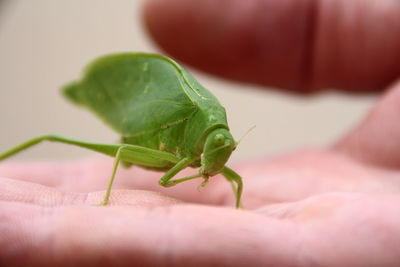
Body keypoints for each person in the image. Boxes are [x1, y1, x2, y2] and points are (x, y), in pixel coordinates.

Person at [1, 0, 400, 265]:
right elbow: (153, 169)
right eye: (216, 152)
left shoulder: (216, 135)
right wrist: (106, 202)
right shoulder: (197, 121)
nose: (218, 163)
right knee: (54, 138)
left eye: (222, 153)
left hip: (174, 137)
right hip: (143, 128)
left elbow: (228, 180)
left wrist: (241, 213)